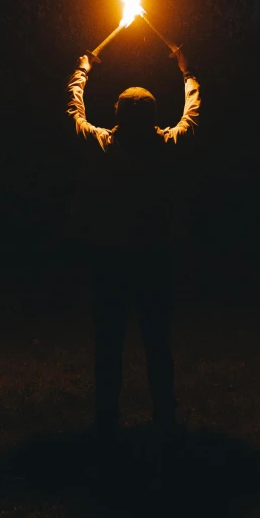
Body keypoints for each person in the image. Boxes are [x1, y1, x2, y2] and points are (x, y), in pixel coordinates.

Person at [66, 48, 200, 445]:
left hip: (109, 263)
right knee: (157, 343)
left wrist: (82, 69)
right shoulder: (172, 147)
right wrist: (187, 70)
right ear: (154, 118)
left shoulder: (101, 148)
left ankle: (107, 420)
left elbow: (72, 110)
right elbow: (194, 111)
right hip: (155, 263)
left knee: (109, 345)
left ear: (117, 115)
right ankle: (164, 419)